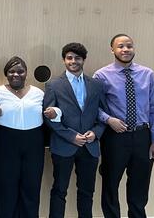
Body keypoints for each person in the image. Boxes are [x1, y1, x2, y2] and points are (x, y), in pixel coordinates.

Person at [94, 34, 154, 218]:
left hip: (142, 136)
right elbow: (93, 107)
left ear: (134, 48)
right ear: (112, 50)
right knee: (110, 185)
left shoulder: (147, 74)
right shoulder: (101, 75)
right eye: (121, 46)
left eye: (129, 46)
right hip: (115, 136)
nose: (125, 49)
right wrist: (109, 119)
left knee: (139, 187)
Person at [0, 56, 61, 218]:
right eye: (12, 71)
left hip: (33, 143)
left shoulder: (38, 92)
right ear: (6, 74)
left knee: (31, 187)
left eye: (20, 71)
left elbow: (54, 112)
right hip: (5, 143)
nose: (16, 74)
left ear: (26, 73)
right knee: (6, 187)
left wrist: (55, 113)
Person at [43, 42, 106, 218]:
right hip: (64, 146)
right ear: (64, 60)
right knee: (59, 190)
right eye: (69, 58)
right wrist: (71, 136)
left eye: (77, 58)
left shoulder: (96, 85)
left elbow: (103, 115)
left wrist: (96, 133)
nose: (73, 61)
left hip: (90, 147)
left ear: (83, 60)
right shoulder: (53, 85)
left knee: (87, 192)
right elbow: (48, 118)